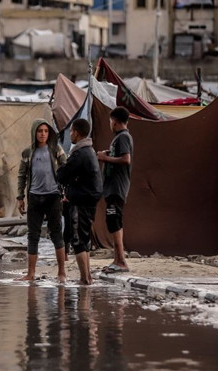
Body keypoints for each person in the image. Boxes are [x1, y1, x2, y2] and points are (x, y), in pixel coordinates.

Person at [16, 119, 68, 282]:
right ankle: (30, 273)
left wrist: (65, 190)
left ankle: (62, 273)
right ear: (34, 133)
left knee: (56, 235)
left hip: (53, 196)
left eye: (46, 131)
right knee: (33, 235)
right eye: (40, 131)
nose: (43, 134)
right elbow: (22, 175)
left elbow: (66, 168)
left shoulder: (55, 150)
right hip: (34, 197)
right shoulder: (27, 153)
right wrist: (20, 197)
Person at [57, 118, 103, 285]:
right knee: (84, 238)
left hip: (81, 200)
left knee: (78, 240)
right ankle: (87, 277)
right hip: (89, 198)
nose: (70, 135)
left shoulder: (79, 153)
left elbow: (63, 174)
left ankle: (84, 278)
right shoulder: (89, 150)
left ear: (75, 132)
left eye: (71, 132)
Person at [97, 106, 134, 273]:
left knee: (115, 221)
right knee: (112, 222)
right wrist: (107, 154)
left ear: (115, 121)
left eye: (111, 121)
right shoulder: (118, 138)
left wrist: (105, 158)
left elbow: (126, 159)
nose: (110, 124)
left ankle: (121, 261)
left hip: (117, 187)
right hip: (112, 187)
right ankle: (117, 259)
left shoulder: (123, 137)